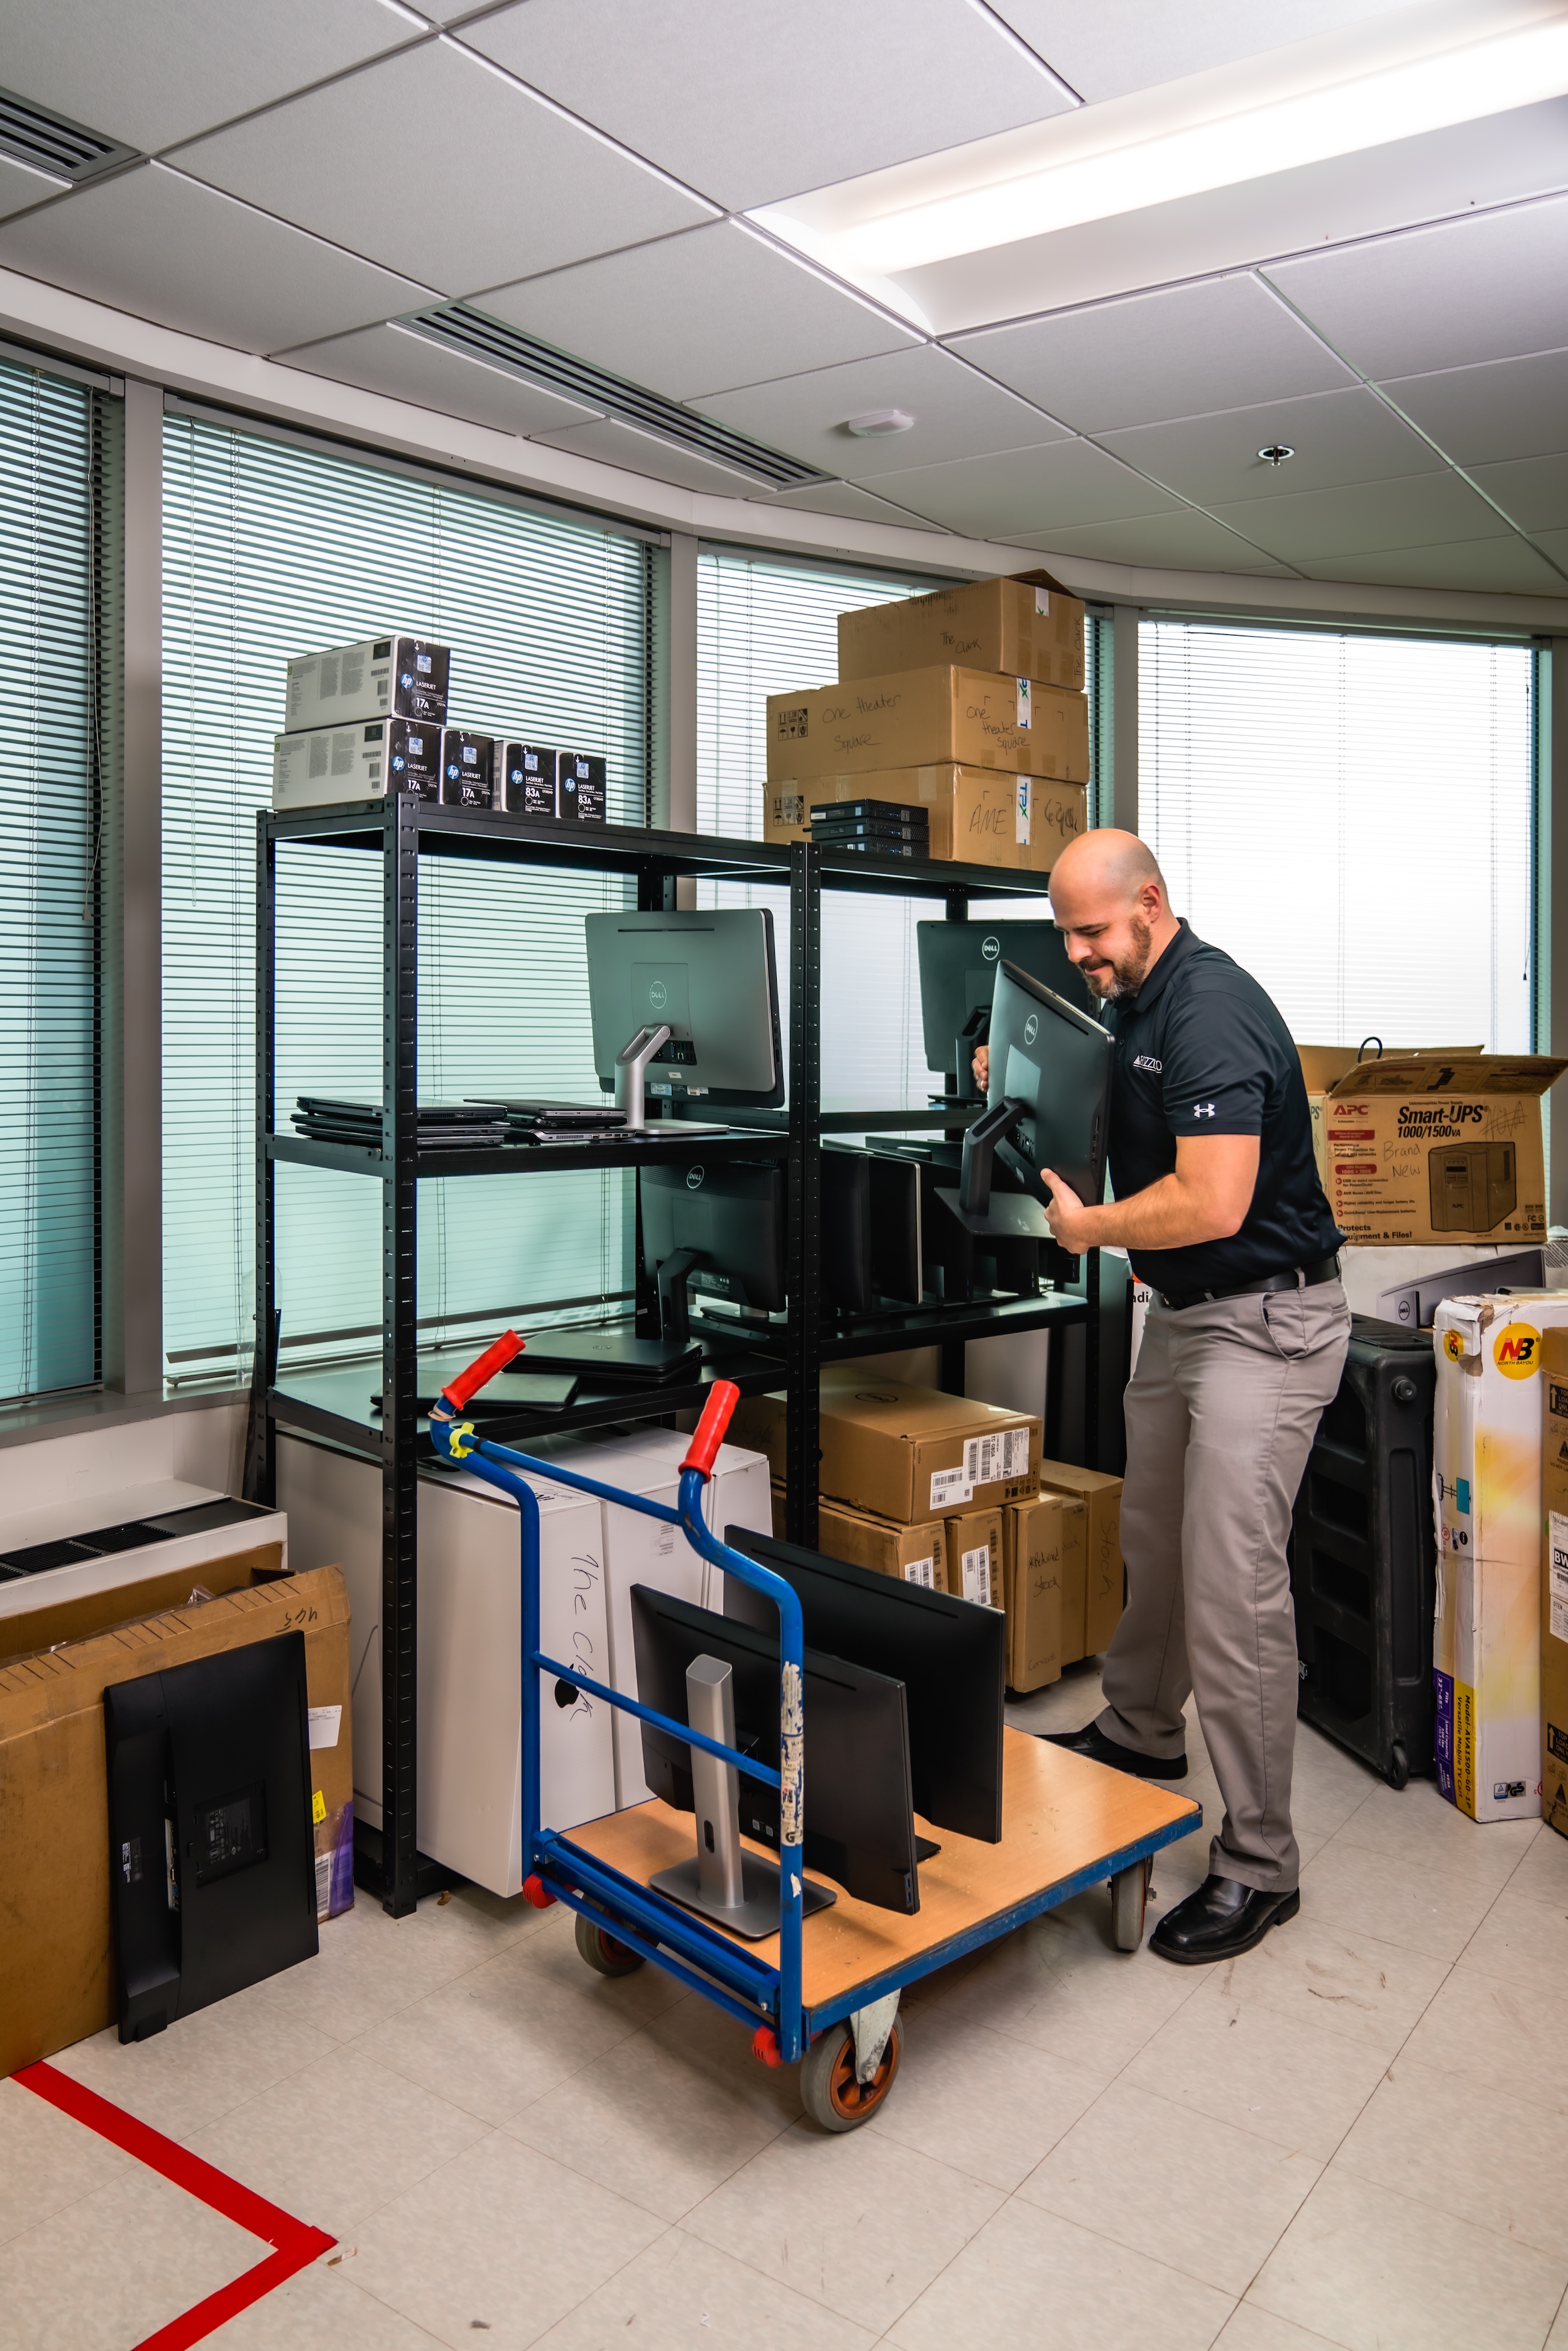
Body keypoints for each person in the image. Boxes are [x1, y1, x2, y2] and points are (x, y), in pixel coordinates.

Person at [975, 829, 1349, 1964]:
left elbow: (1214, 1201)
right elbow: (1111, 1117)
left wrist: (1091, 1230)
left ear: (1150, 902)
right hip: (1186, 1314)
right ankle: (1142, 1731)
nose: (1078, 953)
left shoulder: (1209, 1009)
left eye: (1092, 931)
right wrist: (1011, 1076)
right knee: (1155, 1540)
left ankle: (1261, 1863)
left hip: (1267, 1324)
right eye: (1066, 935)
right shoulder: (1131, 1001)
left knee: (1234, 1591)